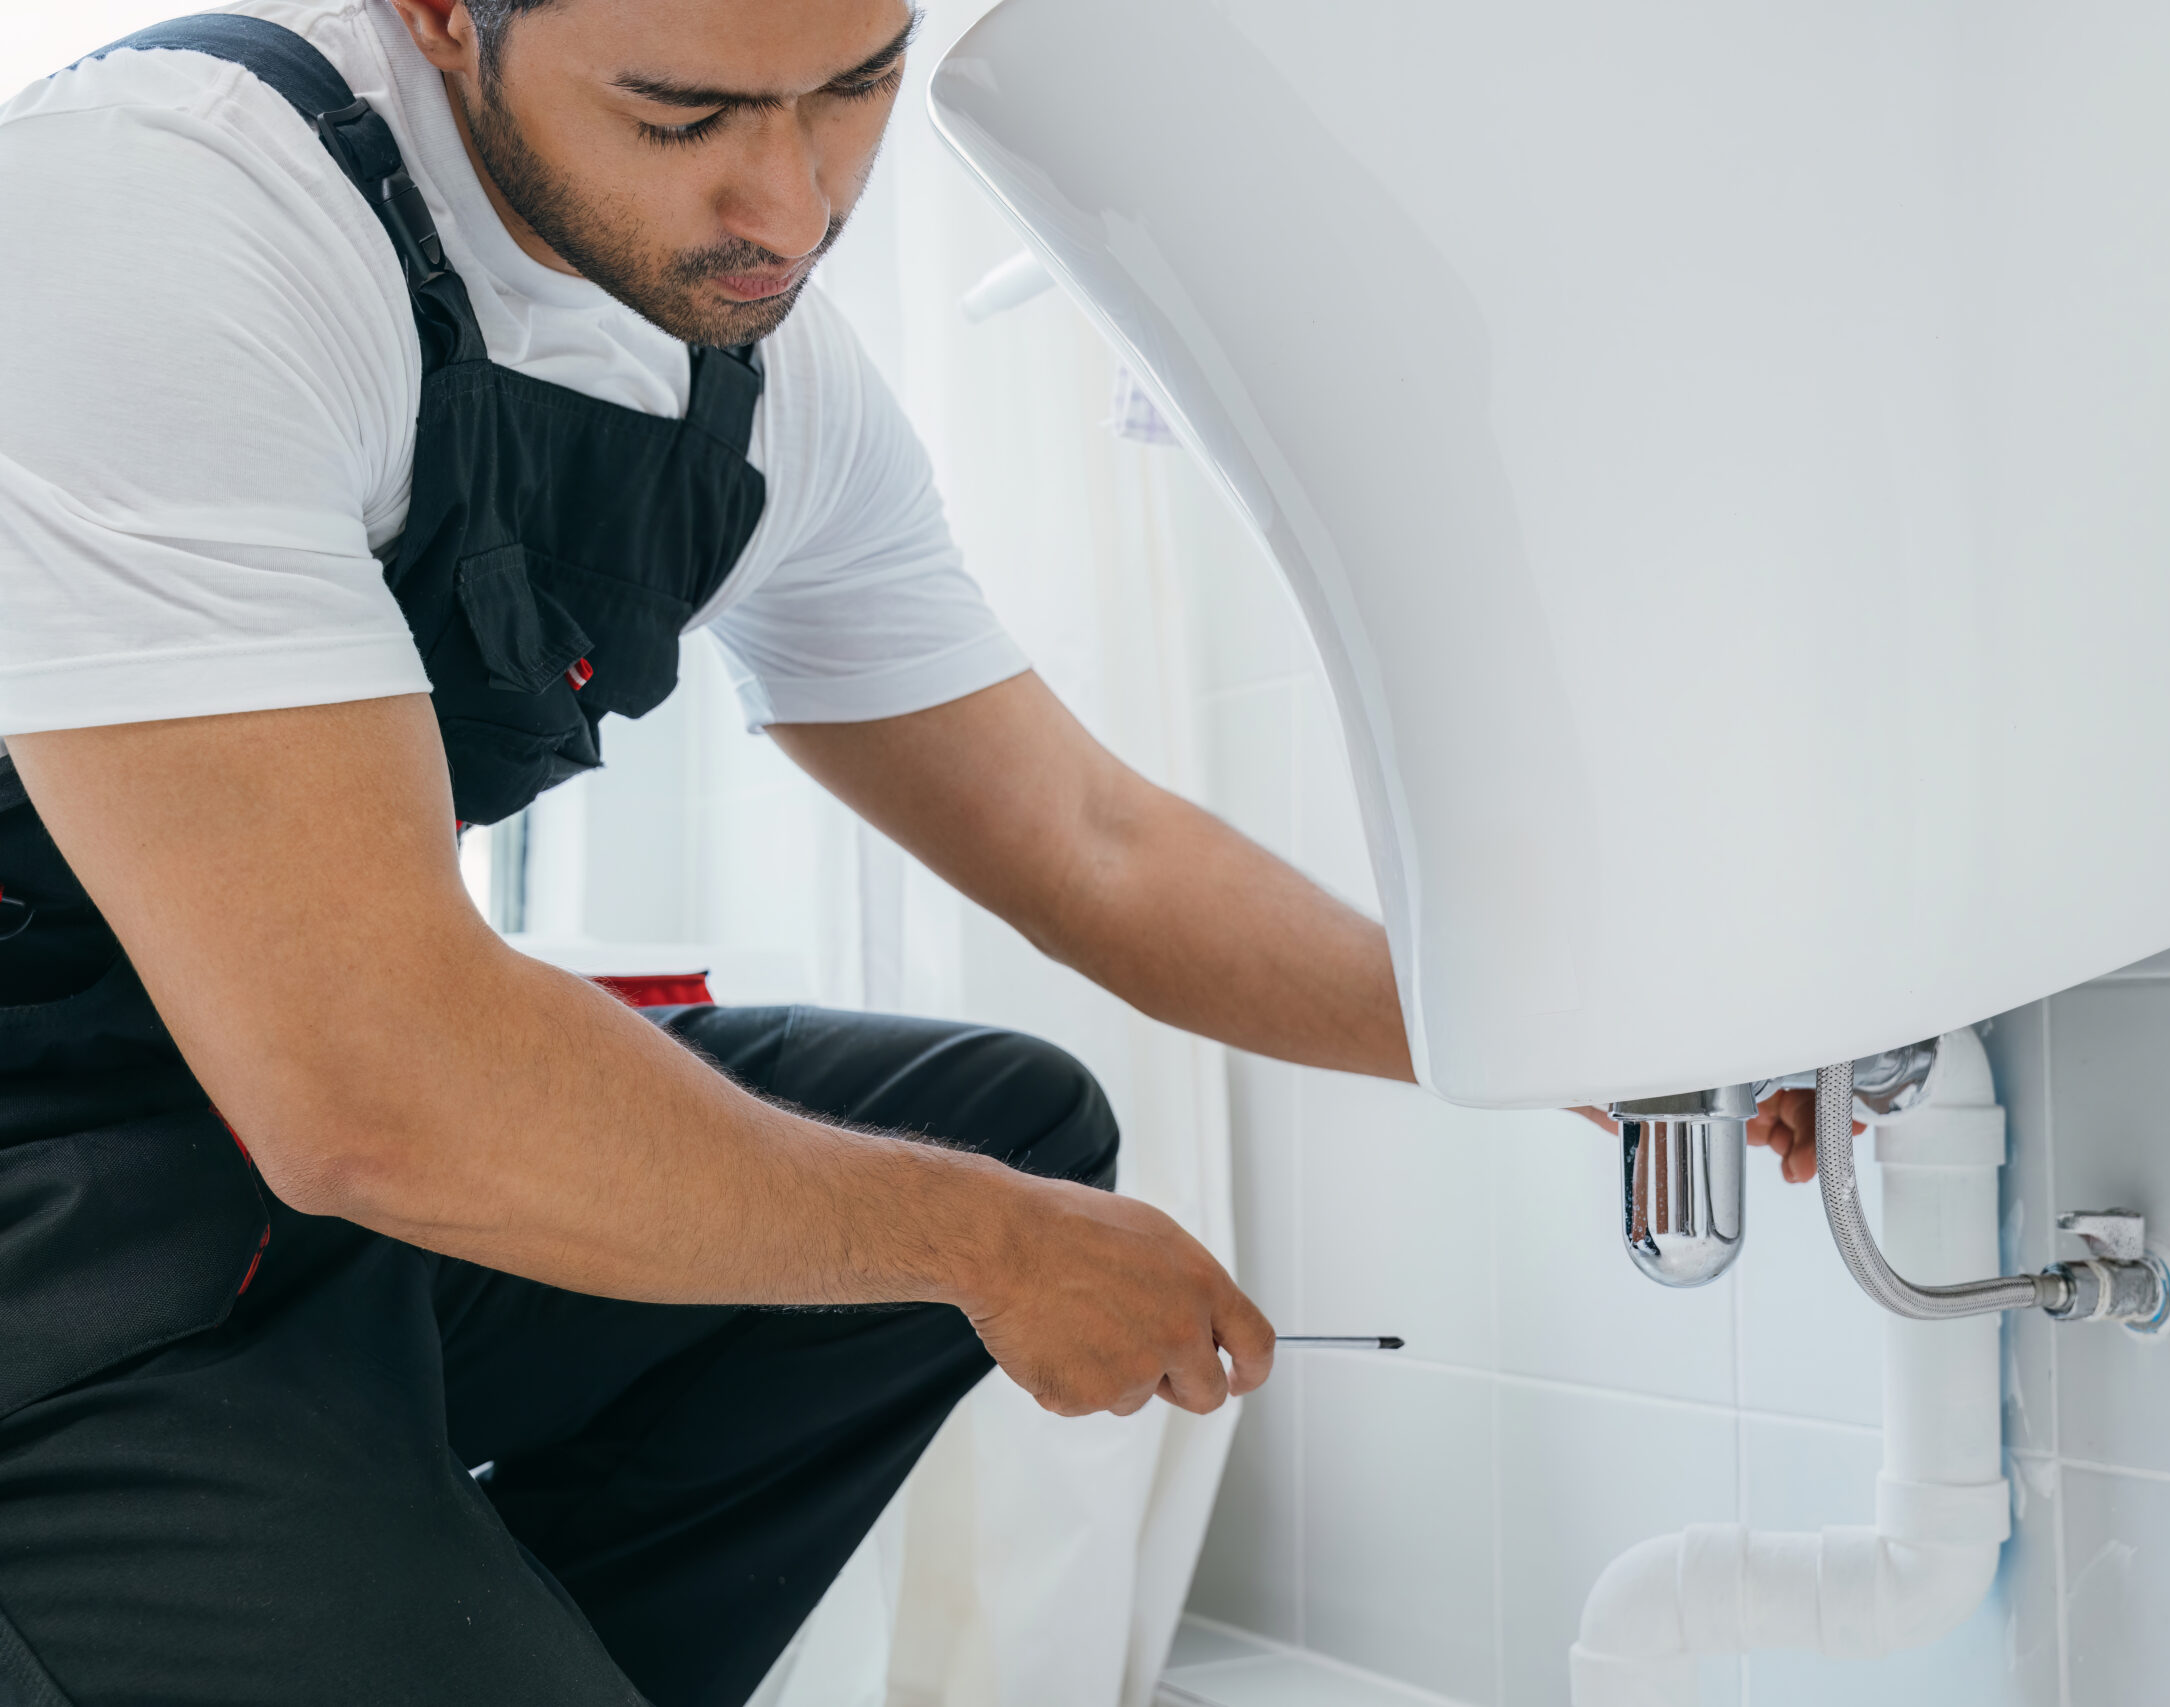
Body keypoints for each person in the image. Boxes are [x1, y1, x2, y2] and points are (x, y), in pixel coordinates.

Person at [0, 1, 1832, 1702]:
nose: (788, 205)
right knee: (973, 1202)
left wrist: (1555, 1028)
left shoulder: (760, 377)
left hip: (273, 1180)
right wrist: (992, 1248)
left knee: (1009, 1122)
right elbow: (371, 1085)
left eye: (855, 85)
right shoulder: (168, 223)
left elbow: (1089, 837)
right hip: (55, 1223)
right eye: (683, 109)